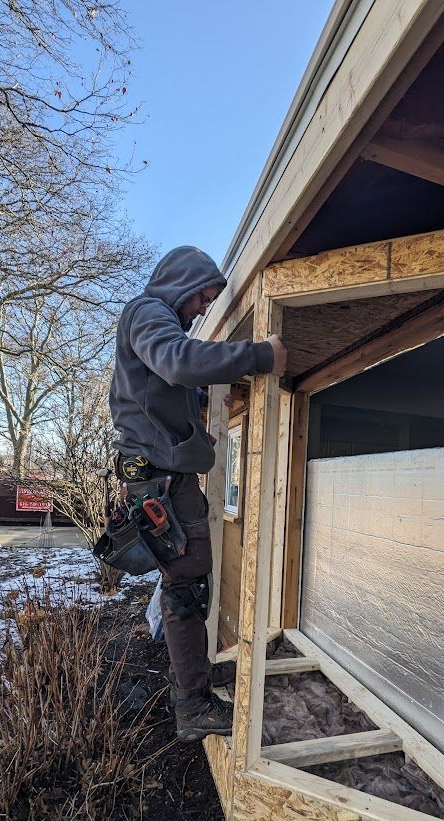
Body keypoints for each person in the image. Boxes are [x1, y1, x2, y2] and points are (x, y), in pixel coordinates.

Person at [109, 246, 287, 742]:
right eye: (203, 299)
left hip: (163, 480)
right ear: (183, 285)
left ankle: (197, 683)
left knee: (190, 582)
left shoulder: (158, 323)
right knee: (186, 585)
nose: (202, 310)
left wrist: (206, 416)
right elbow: (179, 361)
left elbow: (169, 393)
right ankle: (192, 706)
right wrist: (259, 355)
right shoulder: (148, 313)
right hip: (158, 485)